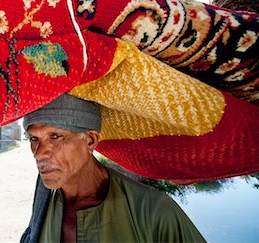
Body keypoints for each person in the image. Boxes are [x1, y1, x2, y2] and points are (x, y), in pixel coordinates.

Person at [20, 94, 206, 243]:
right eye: (34, 139)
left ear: (91, 140)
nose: (39, 153)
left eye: (55, 136)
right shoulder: (45, 198)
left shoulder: (152, 211)